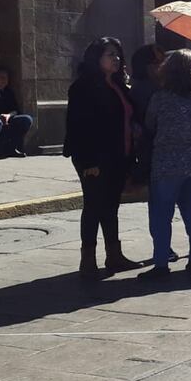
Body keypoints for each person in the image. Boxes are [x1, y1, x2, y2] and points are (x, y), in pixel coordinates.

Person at [63, 37, 141, 278]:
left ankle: (114, 254)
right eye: (110, 54)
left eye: (118, 55)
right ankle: (88, 259)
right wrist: (89, 162)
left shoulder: (118, 85)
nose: (116, 59)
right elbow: (78, 126)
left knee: (111, 206)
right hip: (94, 157)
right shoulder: (83, 87)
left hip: (119, 154)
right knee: (94, 206)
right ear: (96, 58)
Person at [141, 50, 191, 279]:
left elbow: (150, 124)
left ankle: (161, 264)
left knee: (161, 214)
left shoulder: (160, 98)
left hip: (167, 163)